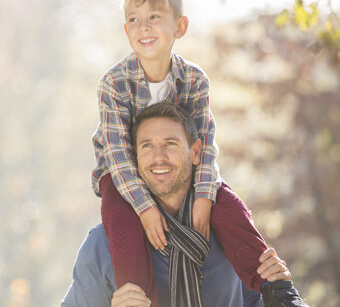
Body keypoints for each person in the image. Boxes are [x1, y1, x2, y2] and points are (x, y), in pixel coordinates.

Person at [90, 0, 307, 306]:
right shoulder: (113, 82)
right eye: (134, 20)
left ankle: (277, 290)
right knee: (123, 226)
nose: (143, 26)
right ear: (126, 30)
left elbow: (204, 146)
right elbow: (117, 154)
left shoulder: (194, 79)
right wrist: (145, 208)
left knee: (229, 207)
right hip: (122, 173)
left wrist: (205, 198)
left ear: (180, 26)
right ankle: (137, 301)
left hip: (180, 168)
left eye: (154, 17)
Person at [66, 102, 308, 306]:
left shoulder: (231, 236)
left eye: (170, 143)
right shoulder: (102, 245)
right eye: (147, 146)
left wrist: (278, 290)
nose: (158, 156)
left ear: (195, 152)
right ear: (134, 158)